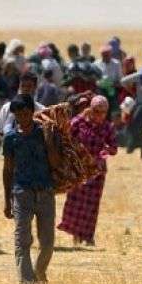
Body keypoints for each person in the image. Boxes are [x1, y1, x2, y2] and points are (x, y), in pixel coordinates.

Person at [3, 94, 56, 284]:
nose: (22, 118)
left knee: (47, 243)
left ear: (32, 112)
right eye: (18, 115)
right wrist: (7, 200)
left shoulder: (45, 133)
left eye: (25, 113)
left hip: (45, 192)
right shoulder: (10, 138)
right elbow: (8, 169)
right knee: (22, 241)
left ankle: (40, 271)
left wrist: (49, 141)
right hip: (21, 193)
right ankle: (27, 283)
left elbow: (55, 162)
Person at [57, 96, 117, 245]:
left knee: (91, 205)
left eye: (103, 112)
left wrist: (107, 150)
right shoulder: (79, 122)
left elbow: (114, 148)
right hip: (78, 169)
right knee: (75, 201)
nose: (100, 115)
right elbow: (65, 137)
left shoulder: (108, 127)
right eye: (96, 111)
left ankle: (88, 236)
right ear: (91, 109)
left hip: (97, 171)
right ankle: (75, 234)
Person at [0, 72, 47, 141]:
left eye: (29, 86)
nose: (25, 89)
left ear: (35, 87)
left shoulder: (42, 110)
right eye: (23, 86)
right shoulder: (7, 108)